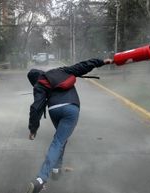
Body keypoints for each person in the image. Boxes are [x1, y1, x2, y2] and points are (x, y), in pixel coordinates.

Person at [26, 58, 113, 193]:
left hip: (54, 110)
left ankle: (55, 169)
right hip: (71, 108)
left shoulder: (39, 85)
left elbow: (36, 107)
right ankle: (40, 179)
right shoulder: (60, 71)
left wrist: (33, 129)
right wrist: (101, 61)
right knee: (59, 141)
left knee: (60, 140)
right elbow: (82, 66)